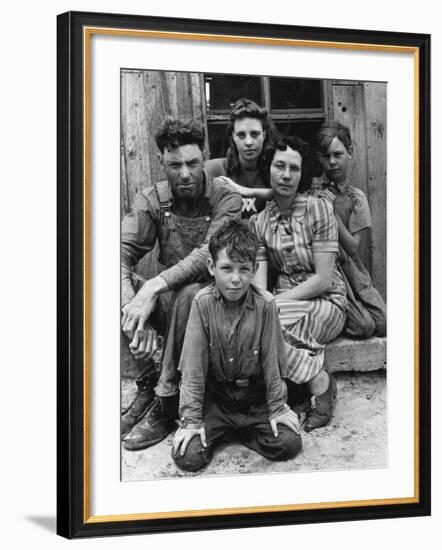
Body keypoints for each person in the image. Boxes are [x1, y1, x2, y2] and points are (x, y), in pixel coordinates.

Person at [121, 117, 242, 450]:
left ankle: (166, 400)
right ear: (162, 161)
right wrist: (135, 312)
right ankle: (148, 382)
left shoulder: (226, 199)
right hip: (171, 306)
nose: (185, 173)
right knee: (111, 284)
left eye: (192, 163)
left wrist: (154, 285)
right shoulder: (152, 200)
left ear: (204, 158)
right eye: (175, 165)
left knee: (193, 292)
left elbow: (209, 255)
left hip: (218, 314)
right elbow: (118, 253)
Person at [172, 220, 302, 472]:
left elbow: (272, 362)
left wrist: (277, 409)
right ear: (211, 267)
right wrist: (191, 421)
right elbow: (194, 369)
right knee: (188, 457)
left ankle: (239, 430)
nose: (235, 279)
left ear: (254, 270)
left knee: (288, 443)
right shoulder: (202, 303)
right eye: (226, 268)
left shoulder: (265, 305)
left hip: (254, 399)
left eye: (243, 269)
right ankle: (225, 428)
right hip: (217, 399)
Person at [251, 135, 347, 432]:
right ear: (269, 168)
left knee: (280, 329)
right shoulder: (258, 223)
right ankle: (316, 379)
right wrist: (266, 302)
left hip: (326, 300)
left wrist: (273, 304)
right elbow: (259, 285)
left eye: (294, 168)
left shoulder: (318, 209)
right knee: (259, 325)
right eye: (279, 166)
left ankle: (316, 390)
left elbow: (323, 279)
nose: (286, 174)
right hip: (281, 298)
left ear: (302, 173)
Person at [315, 121, 386, 338]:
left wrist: (332, 213)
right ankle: (336, 316)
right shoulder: (313, 189)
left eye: (338, 154)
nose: (332, 162)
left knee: (383, 324)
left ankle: (352, 308)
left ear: (350, 152)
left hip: (351, 268)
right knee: (365, 327)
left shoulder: (357, 198)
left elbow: (354, 248)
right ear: (319, 158)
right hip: (324, 265)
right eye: (326, 156)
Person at [205, 98, 276, 218]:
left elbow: (293, 196)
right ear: (233, 136)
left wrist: (245, 191)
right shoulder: (215, 170)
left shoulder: (274, 170)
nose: (248, 142)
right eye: (241, 135)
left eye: (254, 134)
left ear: (264, 134)